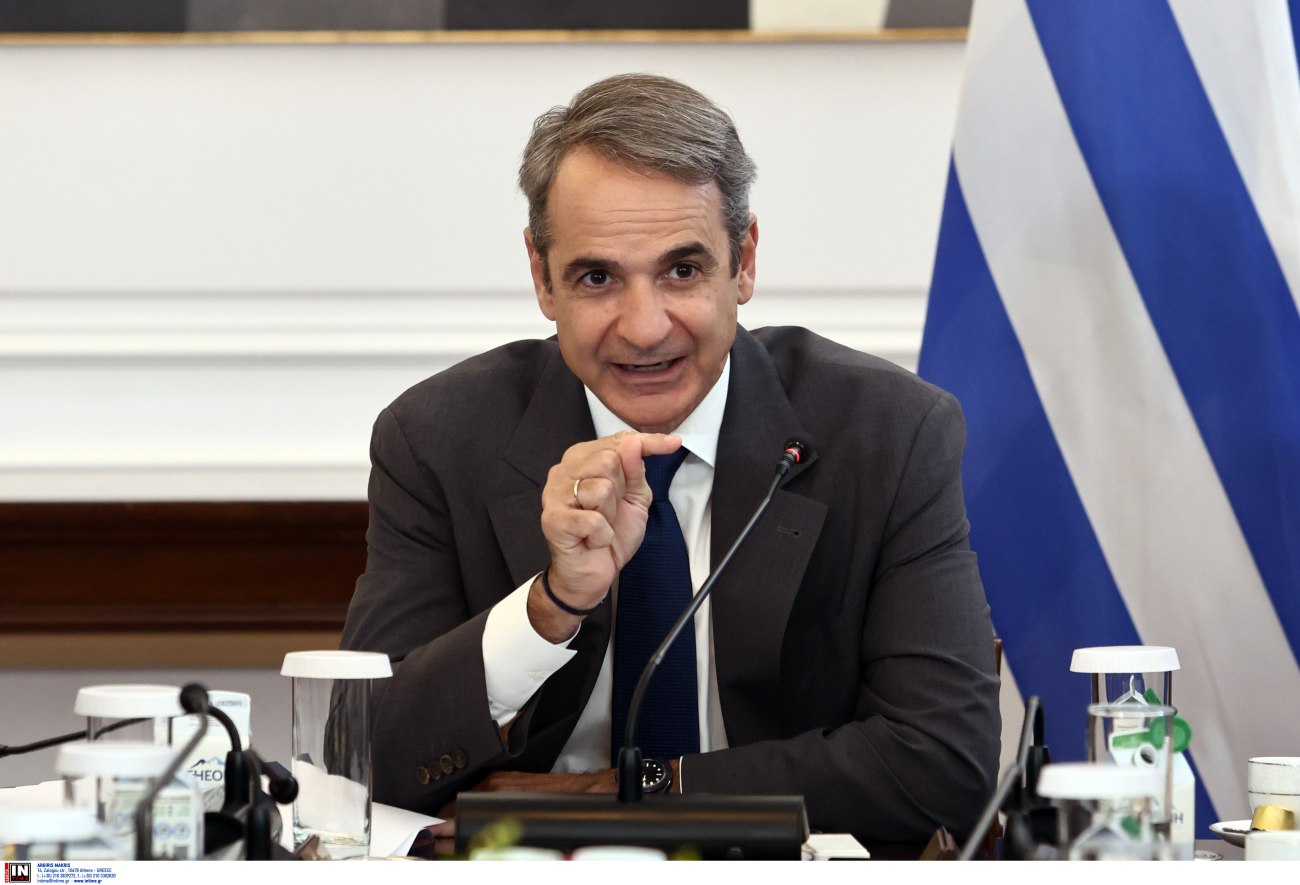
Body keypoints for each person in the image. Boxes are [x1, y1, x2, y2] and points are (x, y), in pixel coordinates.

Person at [339, 73, 1000, 844]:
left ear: (743, 262)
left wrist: (629, 793)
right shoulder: (438, 438)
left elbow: (942, 765)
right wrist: (548, 607)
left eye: (682, 271)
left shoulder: (887, 434)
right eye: (598, 277)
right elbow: (364, 753)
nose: (645, 327)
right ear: (542, 277)